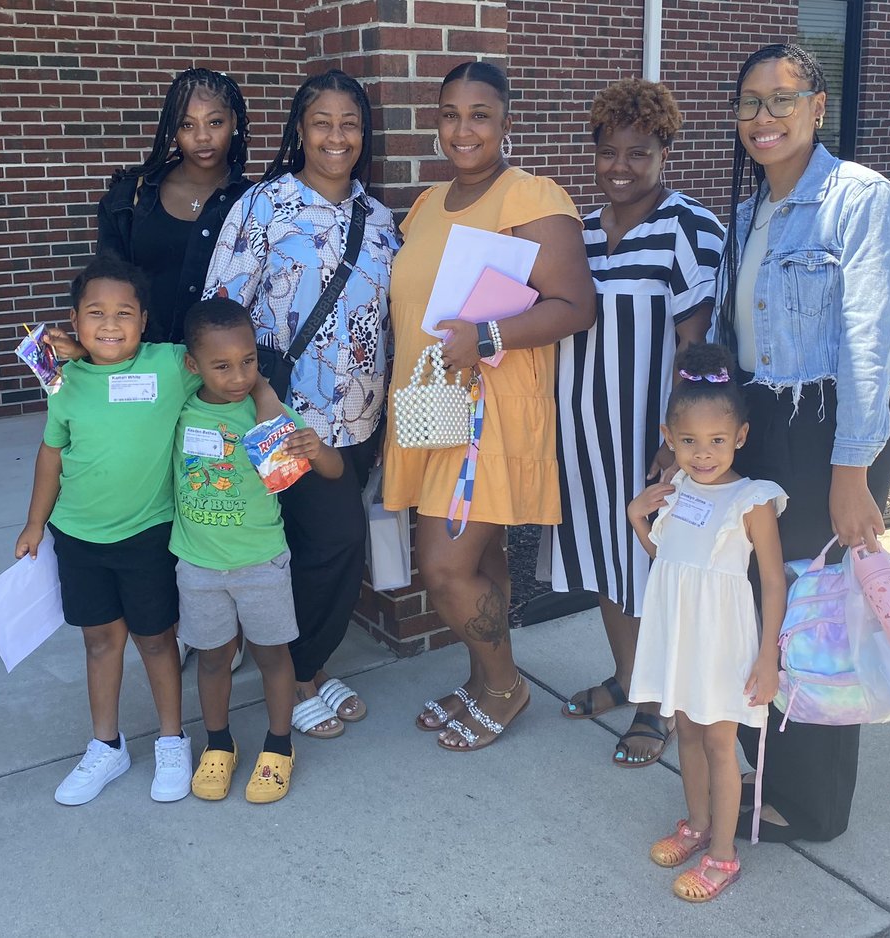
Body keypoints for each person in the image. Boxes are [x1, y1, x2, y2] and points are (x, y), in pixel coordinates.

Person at [712, 43, 890, 843]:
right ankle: (765, 767)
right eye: (750, 103)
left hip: (829, 432)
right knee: (762, 607)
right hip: (760, 428)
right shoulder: (747, 210)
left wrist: (851, 470)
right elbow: (734, 339)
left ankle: (815, 805)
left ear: (818, 107)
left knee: (818, 622)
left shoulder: (861, 199)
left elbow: (872, 345)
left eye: (782, 100)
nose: (764, 118)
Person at [384, 61, 595, 751]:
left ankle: (506, 685)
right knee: (481, 563)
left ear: (506, 121)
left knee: (443, 568)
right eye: (449, 113)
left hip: (491, 414)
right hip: (433, 406)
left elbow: (576, 305)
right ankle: (482, 680)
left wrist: (490, 337)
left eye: (479, 114)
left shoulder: (531, 197)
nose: (462, 128)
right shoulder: (424, 206)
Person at [203, 69, 398, 739]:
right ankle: (302, 672)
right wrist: (257, 397)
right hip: (277, 416)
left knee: (335, 549)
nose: (336, 136)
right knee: (316, 544)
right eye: (322, 122)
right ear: (299, 131)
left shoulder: (379, 218)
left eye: (349, 123)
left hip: (359, 420)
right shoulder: (265, 205)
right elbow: (220, 310)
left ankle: (303, 661)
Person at [549, 78, 725, 767]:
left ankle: (659, 707)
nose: (620, 167)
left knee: (655, 574)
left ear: (665, 152)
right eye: (608, 152)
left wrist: (676, 445)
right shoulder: (579, 234)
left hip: (649, 442)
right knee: (606, 566)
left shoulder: (690, 228)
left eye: (638, 153)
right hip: (583, 435)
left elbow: (699, 347)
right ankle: (629, 680)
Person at [15, 254, 202, 806]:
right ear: (74, 322)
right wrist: (35, 523)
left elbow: (227, 364)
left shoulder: (170, 365)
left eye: (124, 312)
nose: (111, 324)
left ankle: (172, 739)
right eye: (95, 313)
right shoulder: (65, 381)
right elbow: (51, 453)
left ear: (145, 320)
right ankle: (106, 745)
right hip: (78, 537)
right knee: (100, 641)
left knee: (156, 639)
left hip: (147, 534)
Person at [625, 342, 786, 903]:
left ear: (740, 436)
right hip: (680, 635)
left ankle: (724, 854)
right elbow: (666, 558)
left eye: (717, 441)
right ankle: (694, 824)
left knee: (720, 744)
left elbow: (771, 581)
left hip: (723, 641)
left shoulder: (753, 498)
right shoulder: (677, 491)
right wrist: (636, 518)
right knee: (687, 733)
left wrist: (768, 657)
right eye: (688, 441)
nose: (703, 453)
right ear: (669, 437)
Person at [172, 298, 343, 803]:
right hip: (198, 565)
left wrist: (316, 448)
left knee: (272, 655)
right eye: (221, 366)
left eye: (248, 361)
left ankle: (279, 744)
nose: (237, 375)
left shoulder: (266, 413)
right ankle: (219, 744)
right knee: (212, 658)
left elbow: (331, 473)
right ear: (193, 365)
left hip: (261, 562)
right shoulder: (181, 407)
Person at [96, 68, 253, 344]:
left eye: (214, 122)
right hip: (146, 369)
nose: (202, 137)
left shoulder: (256, 203)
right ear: (173, 130)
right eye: (187, 125)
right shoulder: (132, 198)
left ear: (234, 121)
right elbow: (106, 287)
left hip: (223, 376)